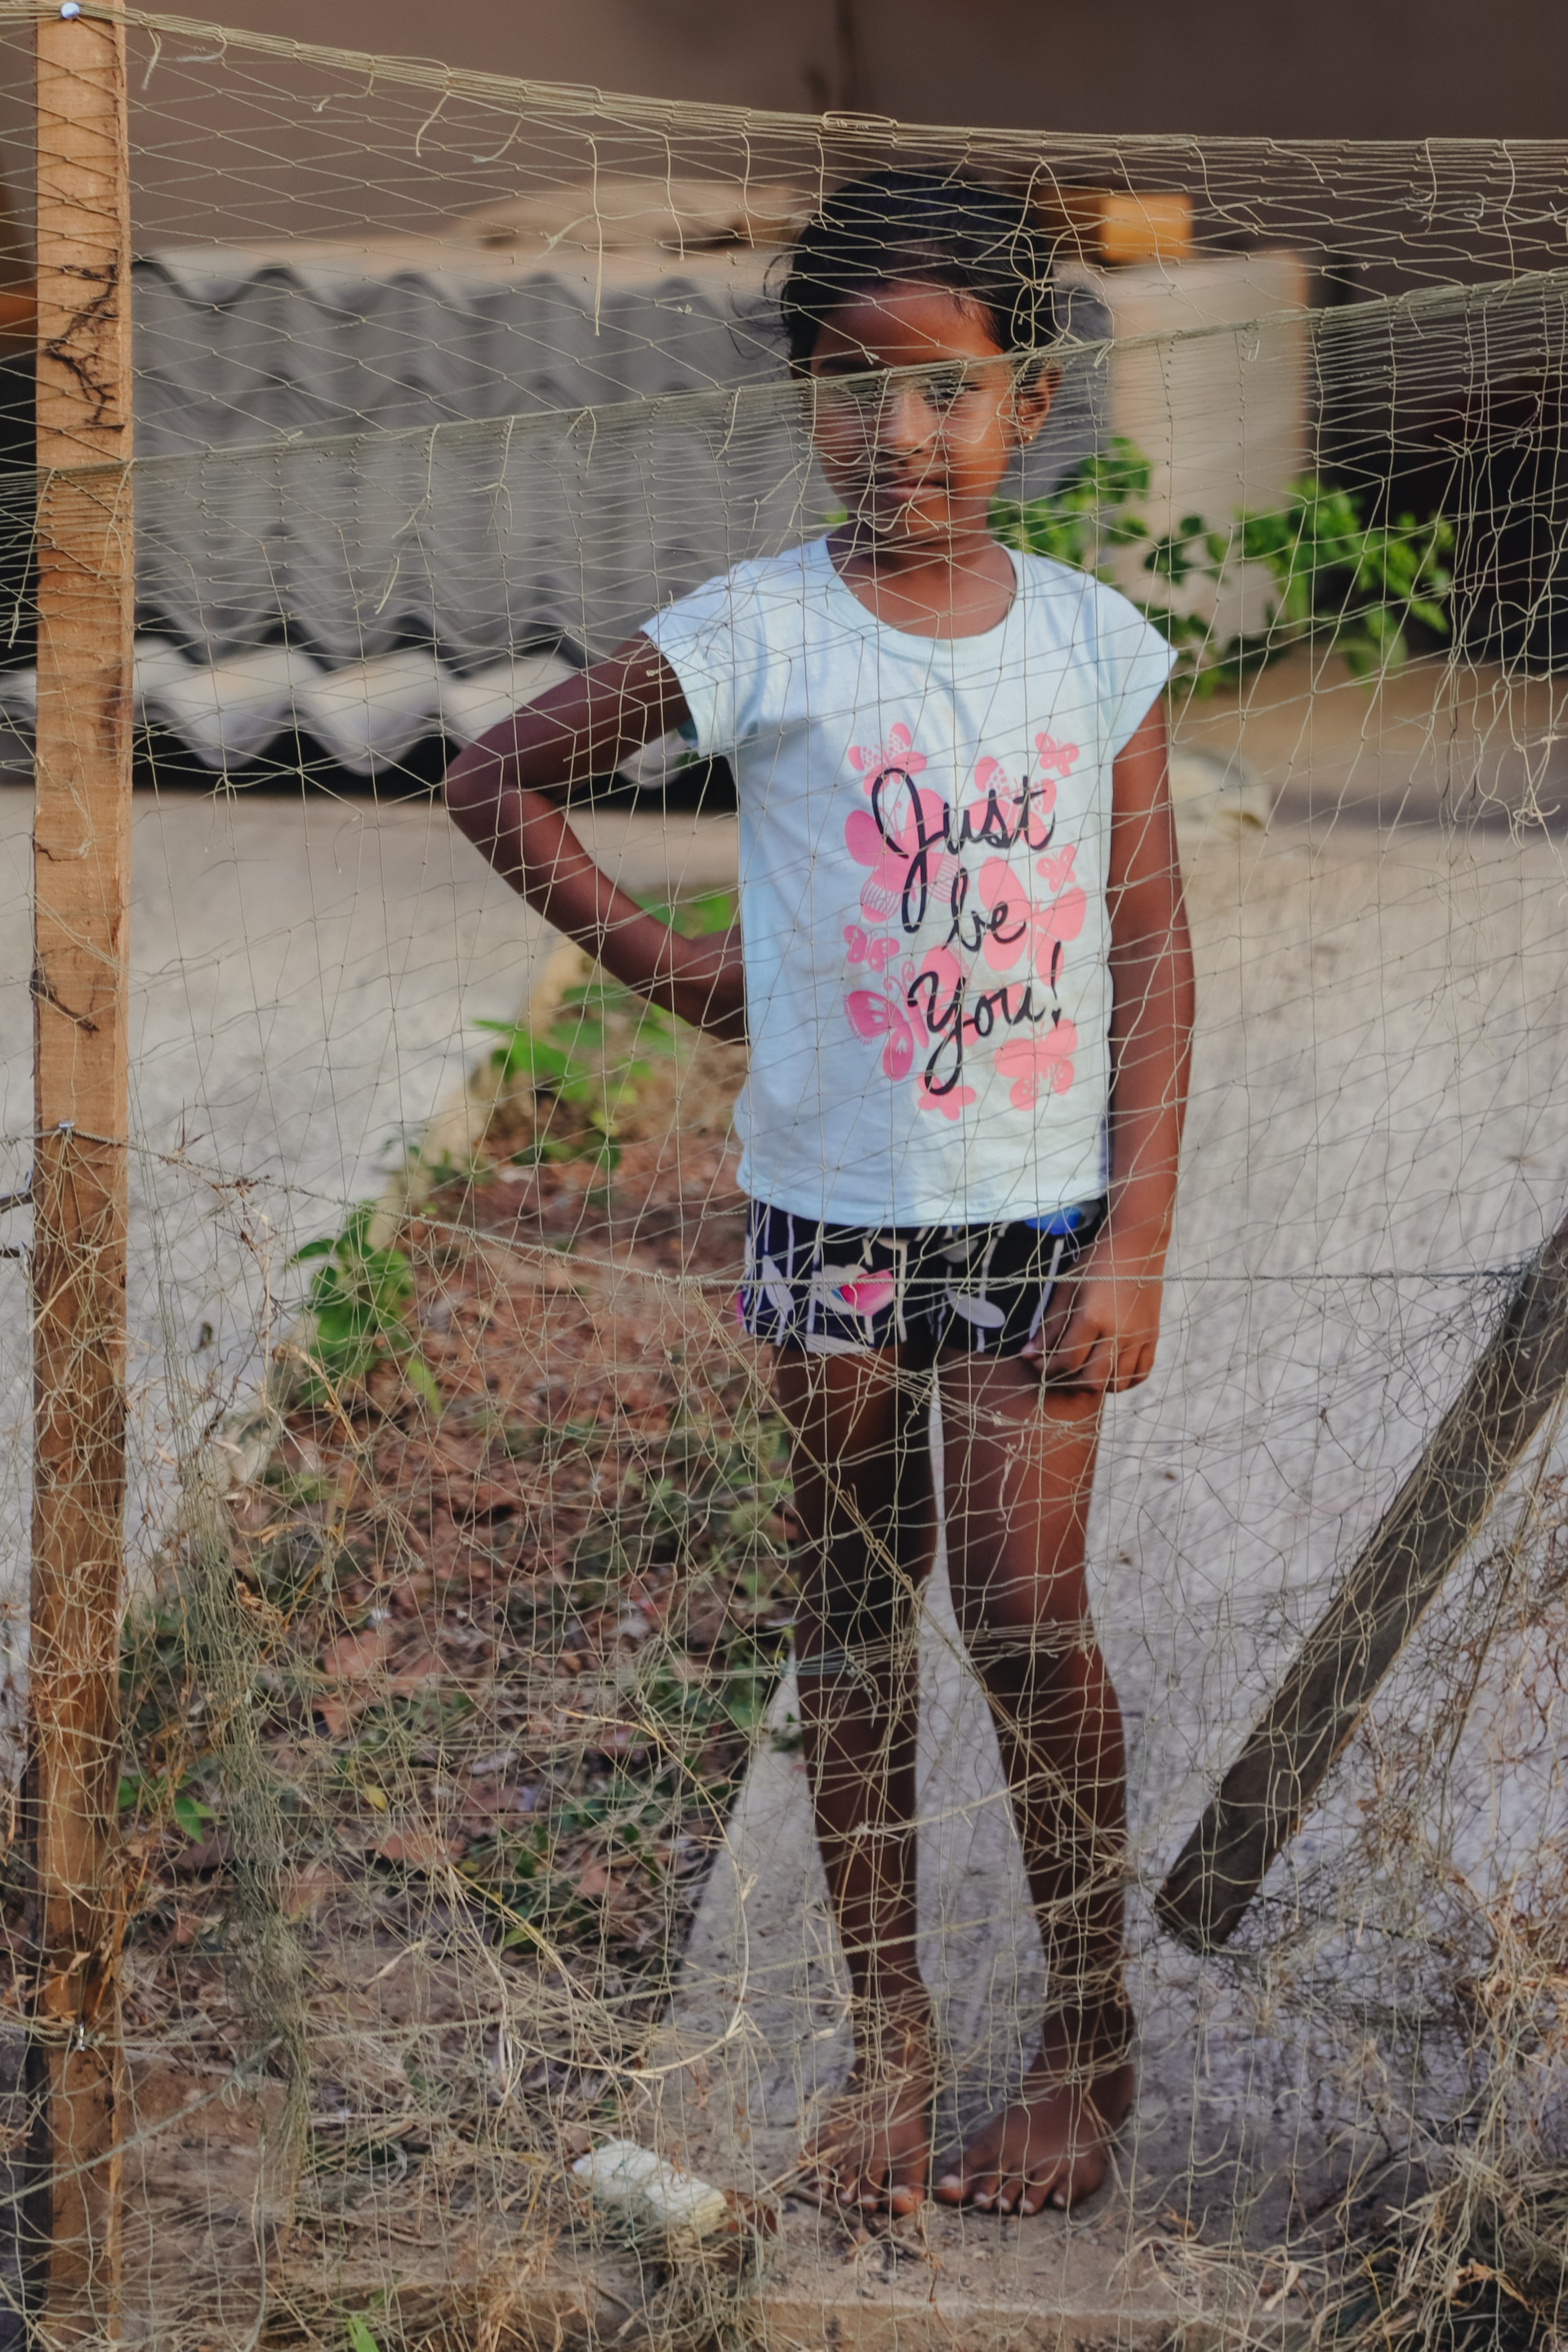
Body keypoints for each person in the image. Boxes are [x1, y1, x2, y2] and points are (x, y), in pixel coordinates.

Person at [444, 167, 1194, 2219]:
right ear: (802, 403)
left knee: (1026, 1622)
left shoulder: (1096, 647)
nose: (901, 434)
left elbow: (1152, 955)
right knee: (852, 1630)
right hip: (833, 1229)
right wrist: (666, 968)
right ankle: (890, 2049)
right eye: (852, 389)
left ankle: (1090, 2039)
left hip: (1039, 1225)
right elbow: (494, 776)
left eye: (946, 389)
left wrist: (1135, 1235)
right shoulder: (759, 629)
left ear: (1030, 401)